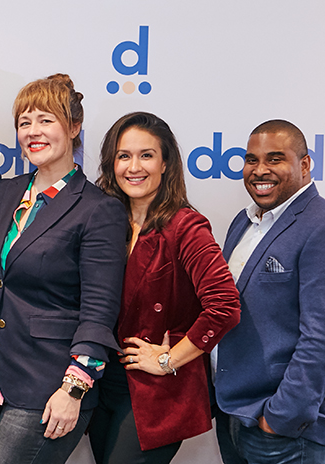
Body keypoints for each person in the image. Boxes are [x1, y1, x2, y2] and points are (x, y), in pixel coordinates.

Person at [0, 74, 127, 464]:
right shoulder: (3, 193)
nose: (33, 131)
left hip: (50, 387)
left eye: (46, 120)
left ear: (74, 128)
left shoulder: (99, 209)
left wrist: (74, 389)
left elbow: (99, 311)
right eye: (24, 122)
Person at [88, 111, 240, 463]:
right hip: (104, 383)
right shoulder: (107, 222)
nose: (134, 167)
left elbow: (225, 306)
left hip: (157, 393)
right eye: (124, 156)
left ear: (165, 163)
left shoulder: (186, 226)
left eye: (146, 155)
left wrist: (168, 359)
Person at [215, 119, 325, 464]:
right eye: (252, 160)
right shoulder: (244, 221)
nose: (260, 170)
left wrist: (281, 418)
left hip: (287, 431)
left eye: (275, 159)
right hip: (235, 414)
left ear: (304, 165)